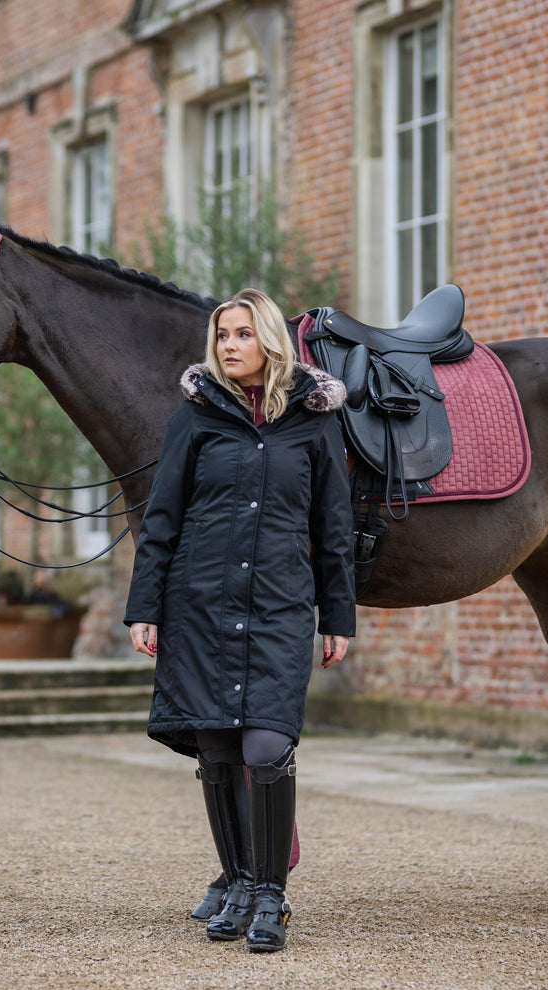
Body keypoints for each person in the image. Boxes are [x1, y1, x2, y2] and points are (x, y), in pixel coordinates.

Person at [125, 288, 355, 953]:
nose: (229, 345)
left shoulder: (313, 421)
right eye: (221, 334)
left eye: (242, 334)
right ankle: (239, 880)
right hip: (198, 606)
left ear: (271, 342)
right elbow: (160, 520)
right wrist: (145, 607)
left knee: (266, 748)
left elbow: (332, 527)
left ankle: (273, 893)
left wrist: (337, 614)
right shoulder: (193, 418)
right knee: (219, 751)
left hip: (280, 606)